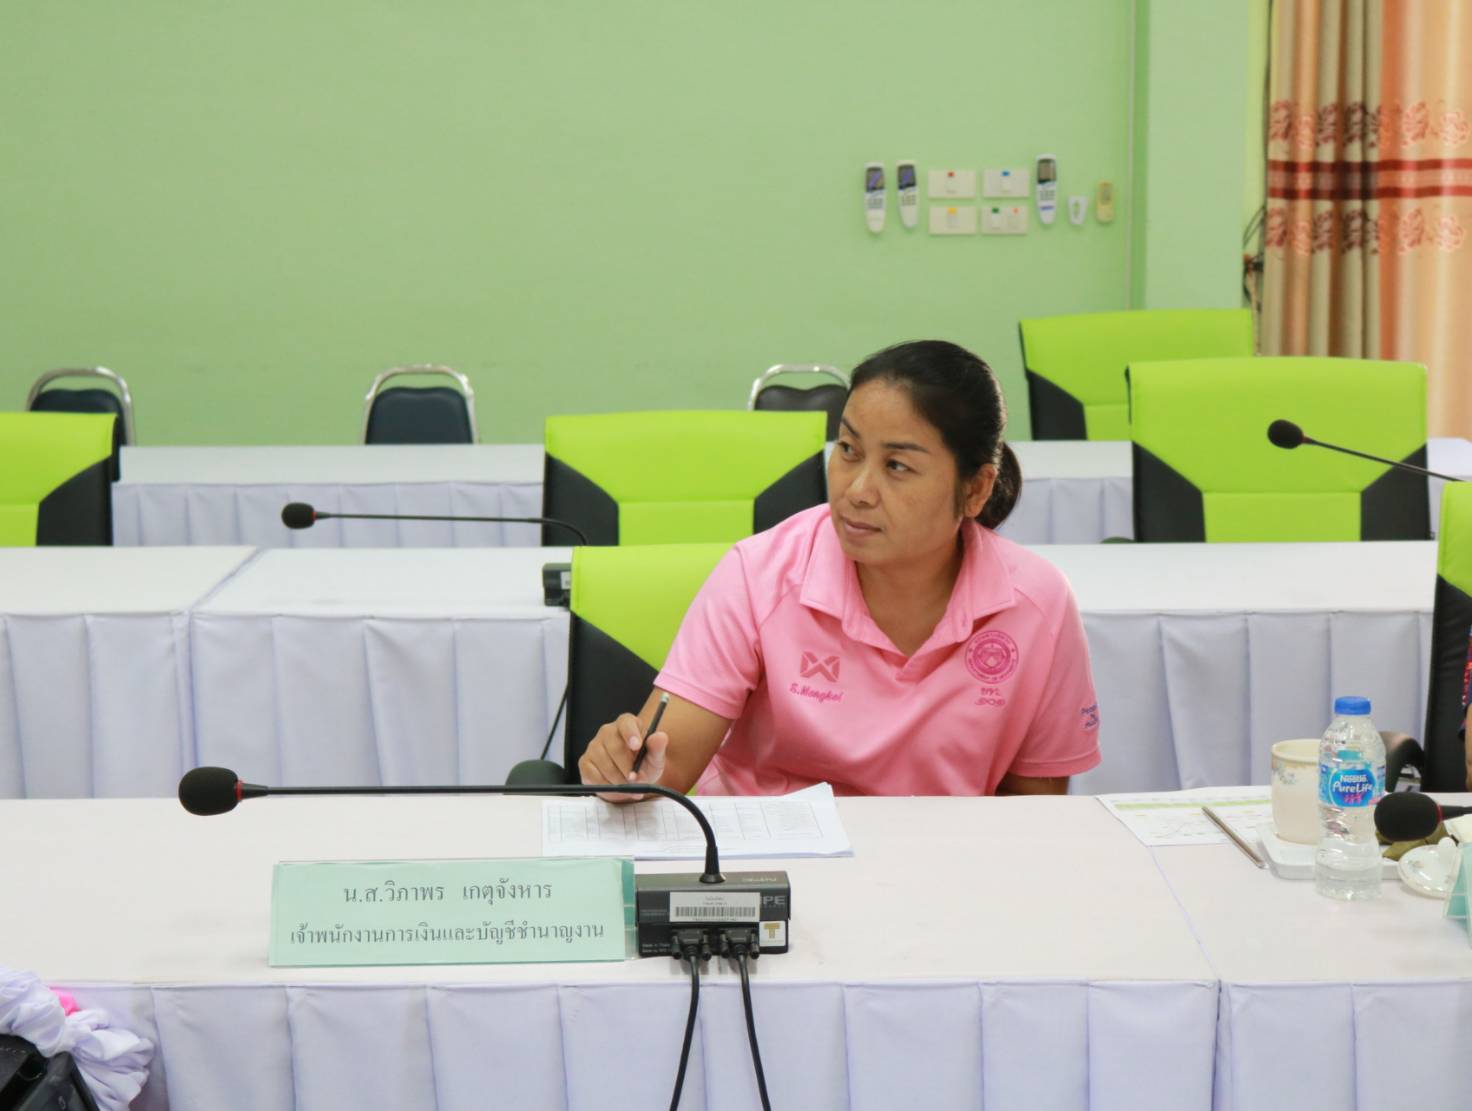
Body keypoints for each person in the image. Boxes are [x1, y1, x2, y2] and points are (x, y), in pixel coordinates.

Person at [580, 340, 1101, 799]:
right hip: (776, 858)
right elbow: (664, 766)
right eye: (848, 450)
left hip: (944, 865)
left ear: (976, 489)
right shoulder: (758, 574)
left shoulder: (1037, 603)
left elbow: (1034, 810)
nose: (857, 490)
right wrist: (626, 771)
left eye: (897, 466)